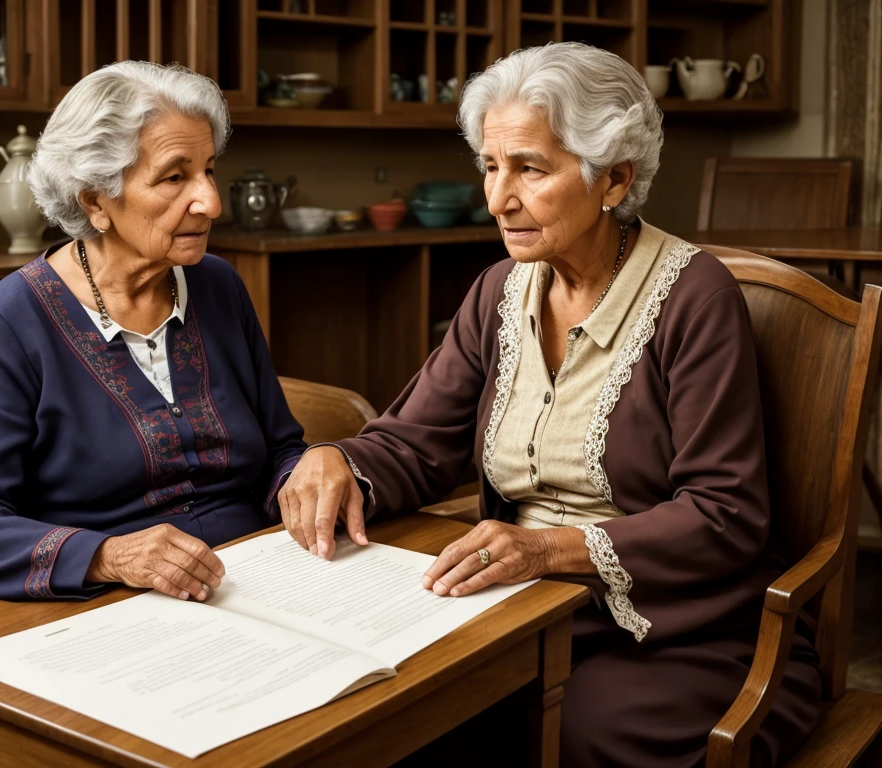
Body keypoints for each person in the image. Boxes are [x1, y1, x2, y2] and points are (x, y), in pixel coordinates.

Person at [279, 43, 821, 767]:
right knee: (400, 708)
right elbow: (416, 442)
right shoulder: (500, 290)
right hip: (524, 606)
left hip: (676, 626)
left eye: (530, 169)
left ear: (613, 179)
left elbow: (725, 514)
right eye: (491, 166)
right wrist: (335, 458)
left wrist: (543, 549)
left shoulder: (695, 298)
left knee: (566, 730)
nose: (499, 198)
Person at [0, 61, 305, 602]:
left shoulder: (218, 286)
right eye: (175, 176)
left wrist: (309, 475)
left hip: (267, 576)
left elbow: (282, 447)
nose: (210, 202)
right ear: (95, 200)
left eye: (209, 170)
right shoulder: (15, 317)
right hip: (112, 604)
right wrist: (105, 555)